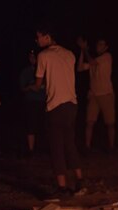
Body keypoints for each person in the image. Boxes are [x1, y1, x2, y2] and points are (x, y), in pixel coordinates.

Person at [34, 23, 85, 198]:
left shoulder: (43, 55)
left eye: (38, 36)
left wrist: (33, 82)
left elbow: (39, 84)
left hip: (55, 105)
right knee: (69, 143)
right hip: (72, 104)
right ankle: (79, 180)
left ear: (47, 36)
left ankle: (62, 187)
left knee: (56, 146)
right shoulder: (69, 54)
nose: (36, 40)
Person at [77, 37, 115, 151]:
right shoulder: (95, 59)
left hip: (106, 94)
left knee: (110, 123)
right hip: (94, 94)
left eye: (102, 44)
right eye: (98, 43)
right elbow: (79, 68)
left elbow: (92, 62)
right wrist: (82, 51)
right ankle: (87, 146)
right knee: (89, 122)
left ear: (106, 47)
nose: (99, 46)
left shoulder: (107, 57)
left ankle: (111, 147)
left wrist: (84, 50)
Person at [19, 50, 46, 155]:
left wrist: (34, 87)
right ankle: (31, 149)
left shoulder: (45, 70)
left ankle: (42, 148)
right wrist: (31, 87)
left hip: (43, 101)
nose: (32, 59)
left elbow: (46, 86)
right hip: (31, 102)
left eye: (34, 57)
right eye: (30, 57)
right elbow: (23, 88)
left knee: (43, 125)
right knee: (30, 125)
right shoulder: (25, 72)